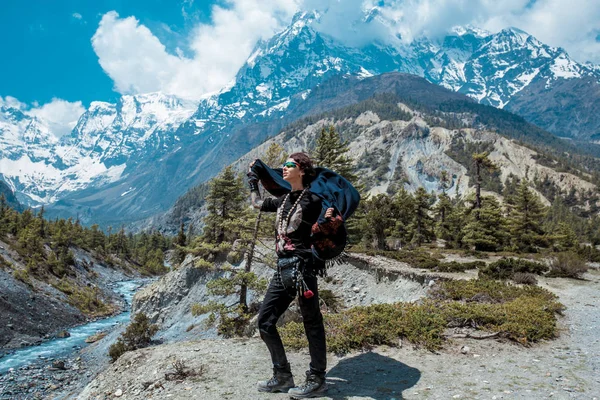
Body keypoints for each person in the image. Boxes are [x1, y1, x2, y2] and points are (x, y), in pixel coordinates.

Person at [248, 152, 333, 398]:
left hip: (303, 269)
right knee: (264, 322)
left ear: (303, 171)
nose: (283, 168)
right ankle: (283, 375)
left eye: (289, 165)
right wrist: (253, 182)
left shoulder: (315, 200)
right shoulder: (284, 200)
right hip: (283, 269)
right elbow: (255, 204)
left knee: (312, 323)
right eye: (284, 165)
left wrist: (330, 221)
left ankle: (317, 379)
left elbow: (330, 222)